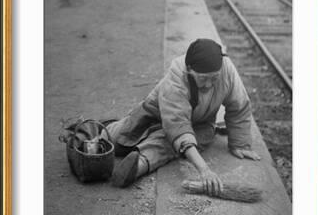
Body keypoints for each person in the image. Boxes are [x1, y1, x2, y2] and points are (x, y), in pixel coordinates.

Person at [106, 38, 260, 191]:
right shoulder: (176, 76)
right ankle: (93, 137)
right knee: (120, 136)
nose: (208, 84)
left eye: (214, 78)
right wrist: (204, 170)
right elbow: (177, 126)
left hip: (199, 124)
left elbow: (239, 106)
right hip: (153, 113)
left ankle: (137, 166)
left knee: (167, 144)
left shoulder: (226, 70)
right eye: (202, 78)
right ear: (189, 70)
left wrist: (240, 143)